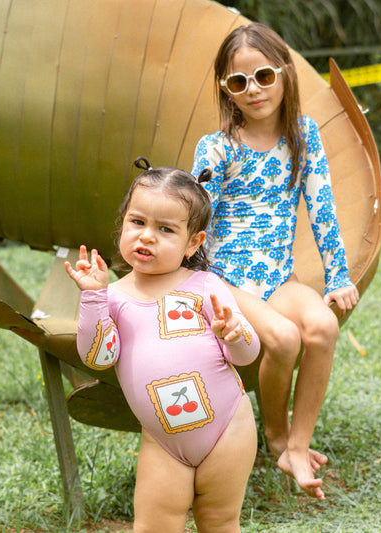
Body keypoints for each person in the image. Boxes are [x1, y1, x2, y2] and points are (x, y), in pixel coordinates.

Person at [191, 22, 360, 501]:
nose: (254, 90)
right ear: (226, 90)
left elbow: (322, 207)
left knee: (322, 327)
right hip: (226, 281)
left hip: (277, 279)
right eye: (238, 82)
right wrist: (190, 285)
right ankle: (276, 435)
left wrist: (339, 275)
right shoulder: (217, 148)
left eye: (263, 76)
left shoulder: (302, 135)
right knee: (284, 339)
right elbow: (192, 217)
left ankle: (299, 445)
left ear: (285, 73)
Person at [64, 157, 260, 532]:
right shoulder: (113, 297)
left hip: (227, 430)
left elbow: (247, 355)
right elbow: (98, 357)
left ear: (193, 243)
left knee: (219, 521)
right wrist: (93, 298)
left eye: (166, 229)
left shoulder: (204, 286)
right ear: (123, 223)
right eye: (137, 222)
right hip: (163, 442)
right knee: (154, 525)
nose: (147, 236)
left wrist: (235, 332)